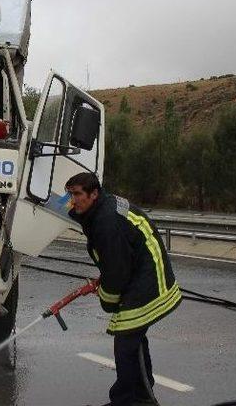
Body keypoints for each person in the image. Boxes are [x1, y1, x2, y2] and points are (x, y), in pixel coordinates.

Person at [65, 173, 181, 406]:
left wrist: (108, 300)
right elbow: (117, 260)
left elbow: (117, 272)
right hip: (140, 272)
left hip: (149, 278)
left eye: (77, 194)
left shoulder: (105, 222)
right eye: (70, 194)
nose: (72, 200)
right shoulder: (101, 210)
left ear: (94, 193)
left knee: (126, 342)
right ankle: (140, 398)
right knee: (133, 338)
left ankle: (129, 400)